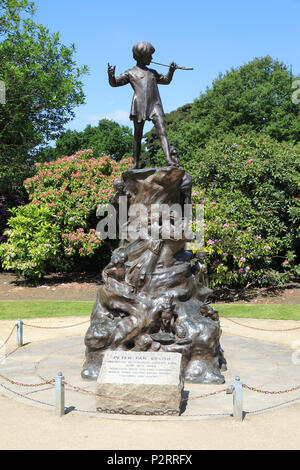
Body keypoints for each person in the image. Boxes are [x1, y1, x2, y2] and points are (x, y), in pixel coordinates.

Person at [108, 41, 179, 169]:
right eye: (149, 56)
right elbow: (115, 83)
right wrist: (111, 76)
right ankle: (135, 163)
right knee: (138, 134)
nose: (151, 58)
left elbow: (166, 80)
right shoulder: (130, 73)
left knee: (162, 130)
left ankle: (168, 159)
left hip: (154, 104)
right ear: (141, 56)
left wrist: (171, 71)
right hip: (139, 105)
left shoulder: (152, 72)